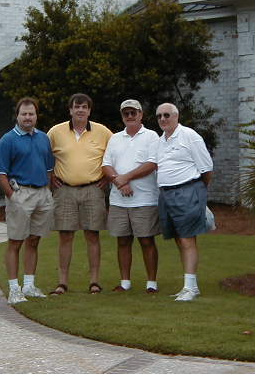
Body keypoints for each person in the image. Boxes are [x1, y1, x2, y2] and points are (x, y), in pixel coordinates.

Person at [47, 93, 113, 295]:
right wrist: (50, 176)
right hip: (64, 190)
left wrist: (108, 177)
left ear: (89, 110)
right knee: (65, 236)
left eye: (84, 107)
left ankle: (94, 282)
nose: (80, 110)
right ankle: (62, 282)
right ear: (70, 110)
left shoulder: (103, 132)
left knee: (92, 235)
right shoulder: (55, 132)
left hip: (93, 189)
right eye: (77, 106)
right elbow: (43, 155)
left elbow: (116, 154)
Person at [0, 97, 55, 305]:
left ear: (36, 116)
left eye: (31, 114)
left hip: (42, 193)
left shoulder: (43, 138)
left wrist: (47, 191)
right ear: (17, 116)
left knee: (34, 240)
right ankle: (14, 289)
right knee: (15, 242)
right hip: (20, 193)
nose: (28, 117)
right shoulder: (8, 140)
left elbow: (49, 168)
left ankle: (29, 285)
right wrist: (12, 196)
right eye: (24, 114)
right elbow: (0, 173)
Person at [155, 102, 213, 302]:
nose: (163, 119)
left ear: (176, 116)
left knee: (187, 239)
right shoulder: (161, 141)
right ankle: (190, 286)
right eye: (159, 116)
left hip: (187, 190)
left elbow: (206, 169)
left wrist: (197, 193)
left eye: (167, 115)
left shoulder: (189, 136)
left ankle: (190, 288)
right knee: (179, 239)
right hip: (166, 194)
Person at [102, 99, 160, 293]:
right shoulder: (115, 138)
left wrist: (125, 178)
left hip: (144, 199)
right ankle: (125, 282)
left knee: (146, 240)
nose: (129, 116)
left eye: (133, 113)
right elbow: (106, 165)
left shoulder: (151, 136)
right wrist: (120, 182)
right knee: (123, 240)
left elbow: (151, 164)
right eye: (126, 113)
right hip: (119, 200)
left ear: (140, 114)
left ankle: (151, 283)